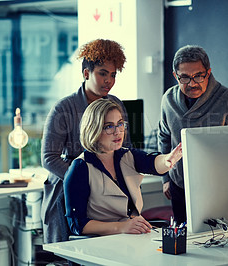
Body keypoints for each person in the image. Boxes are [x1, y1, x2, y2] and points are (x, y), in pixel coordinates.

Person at [41, 39, 132, 243]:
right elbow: (48, 158)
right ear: (86, 73)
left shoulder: (115, 104)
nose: (109, 80)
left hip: (108, 193)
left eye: (113, 75)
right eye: (102, 73)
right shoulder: (63, 108)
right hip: (69, 193)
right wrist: (83, 181)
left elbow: (126, 149)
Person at [158, 45, 228, 224]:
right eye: (184, 77)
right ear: (175, 75)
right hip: (179, 186)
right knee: (184, 245)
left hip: (218, 190)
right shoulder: (168, 100)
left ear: (208, 73)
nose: (192, 83)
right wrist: (165, 178)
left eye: (198, 76)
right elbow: (164, 138)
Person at [64, 99, 182, 236]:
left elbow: (152, 163)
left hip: (130, 237)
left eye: (120, 124)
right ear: (93, 129)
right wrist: (122, 227)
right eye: (109, 126)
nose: (118, 131)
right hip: (101, 242)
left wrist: (168, 160)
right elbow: (78, 225)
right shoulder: (80, 168)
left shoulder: (127, 155)